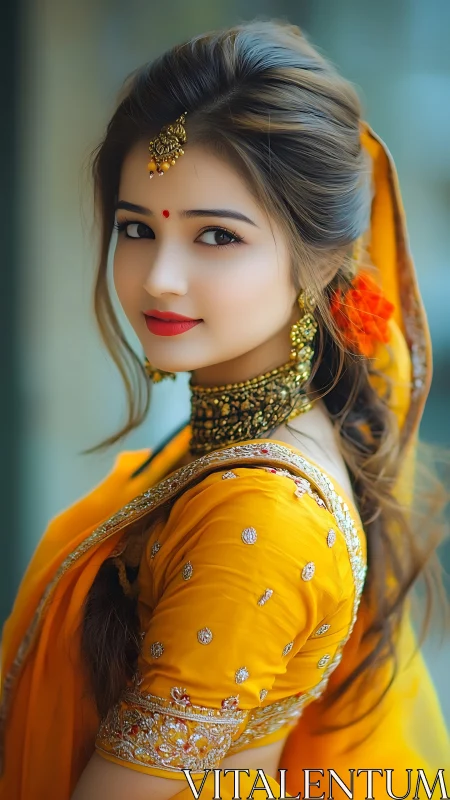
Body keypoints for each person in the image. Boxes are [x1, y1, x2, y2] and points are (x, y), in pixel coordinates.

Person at [0, 19, 449, 800]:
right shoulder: (245, 443)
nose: (159, 278)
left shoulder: (262, 515)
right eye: (137, 228)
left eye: (216, 236)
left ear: (322, 260)